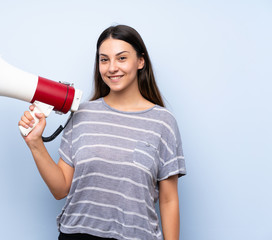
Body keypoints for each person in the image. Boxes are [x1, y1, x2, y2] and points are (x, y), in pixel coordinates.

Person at [19, 25, 186, 240]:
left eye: (122, 58)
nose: (112, 67)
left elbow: (169, 200)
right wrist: (35, 143)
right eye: (104, 59)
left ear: (140, 61)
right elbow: (60, 189)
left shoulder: (163, 122)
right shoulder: (82, 114)